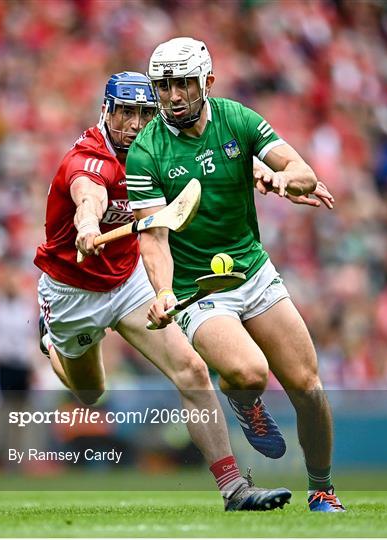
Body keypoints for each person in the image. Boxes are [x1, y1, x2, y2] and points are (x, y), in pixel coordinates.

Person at [34, 71, 292, 512]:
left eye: (144, 113)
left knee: (191, 369)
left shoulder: (156, 148)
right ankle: (50, 342)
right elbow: (87, 196)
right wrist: (89, 225)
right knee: (91, 392)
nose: (135, 124)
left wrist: (259, 172)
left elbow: (205, 163)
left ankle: (234, 489)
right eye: (125, 113)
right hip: (71, 292)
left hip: (130, 279)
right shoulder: (88, 159)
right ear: (106, 110)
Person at [125, 39, 345, 512]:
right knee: (248, 373)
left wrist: (286, 178)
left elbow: (300, 168)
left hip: (252, 270)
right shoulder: (145, 152)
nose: (174, 95)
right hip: (198, 290)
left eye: (183, 82)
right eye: (163, 86)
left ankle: (323, 488)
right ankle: (245, 403)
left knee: (308, 387)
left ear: (207, 80)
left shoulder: (236, 119)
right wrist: (163, 291)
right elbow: (154, 237)